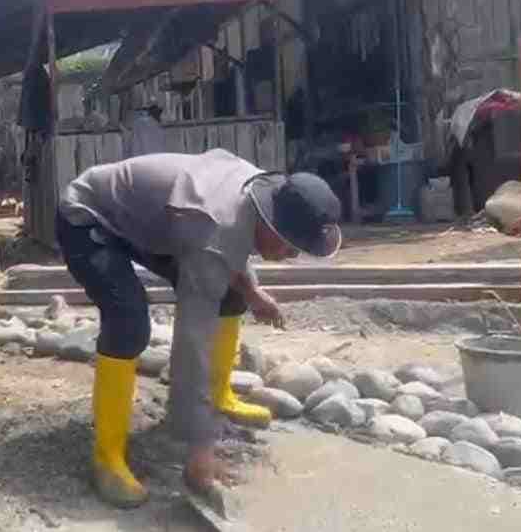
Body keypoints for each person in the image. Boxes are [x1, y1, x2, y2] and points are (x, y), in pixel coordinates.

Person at [56, 149, 341, 508]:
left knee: (232, 296)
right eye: (291, 247)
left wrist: (252, 292)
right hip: (89, 215)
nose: (293, 256)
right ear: (270, 222)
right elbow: (193, 344)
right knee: (129, 323)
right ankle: (108, 457)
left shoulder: (264, 194)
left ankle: (218, 397)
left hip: (162, 221)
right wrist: (200, 454)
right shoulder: (216, 224)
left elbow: (227, 250)